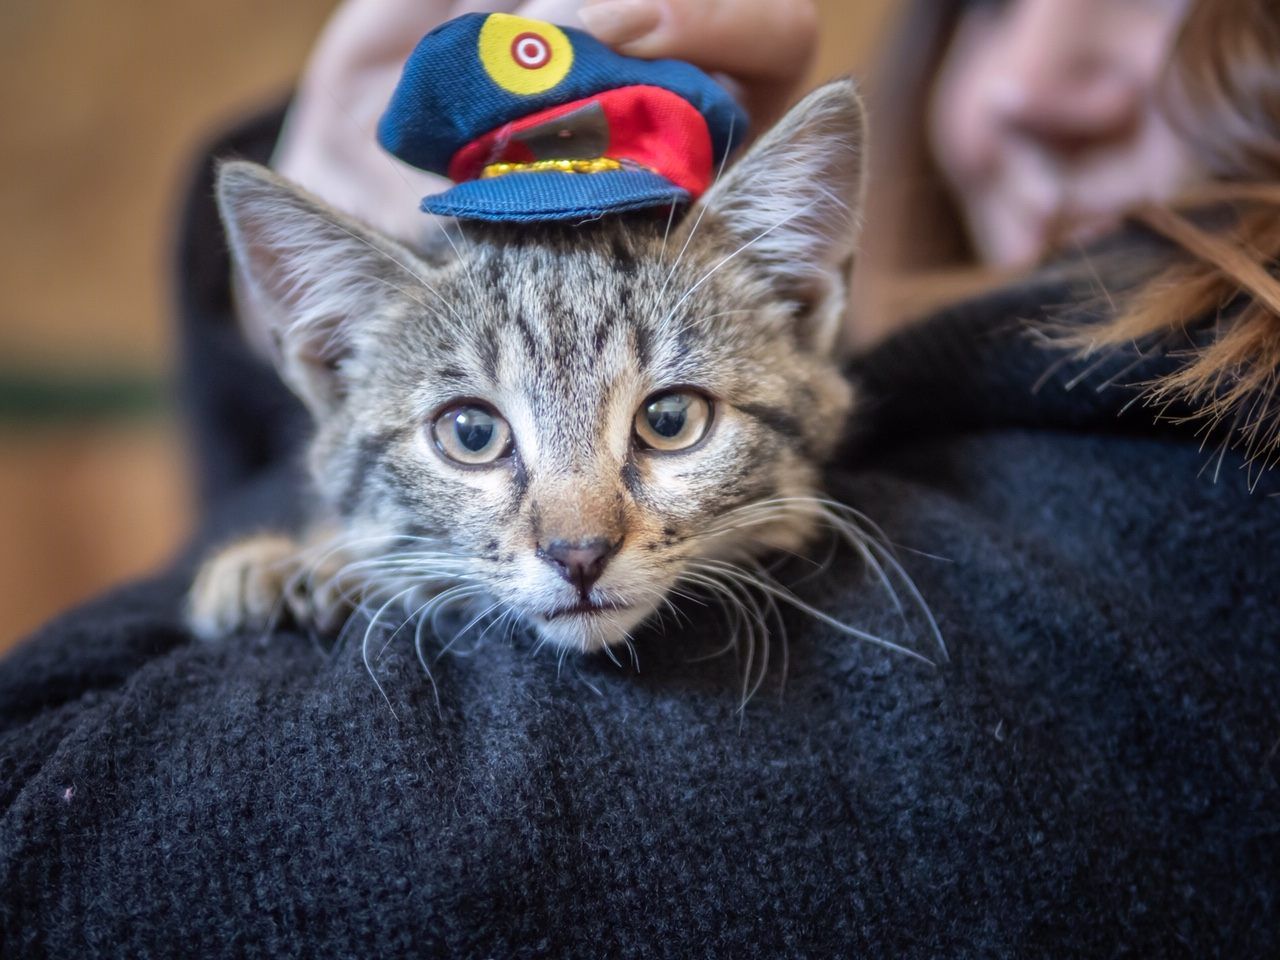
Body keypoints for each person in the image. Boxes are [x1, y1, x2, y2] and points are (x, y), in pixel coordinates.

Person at [2, 2, 1277, 956]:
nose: (575, 531)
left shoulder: (1166, 512)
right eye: (475, 435)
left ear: (796, 301)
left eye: (665, 418)